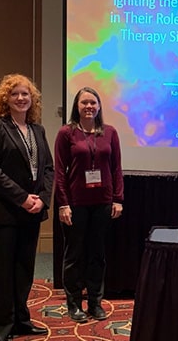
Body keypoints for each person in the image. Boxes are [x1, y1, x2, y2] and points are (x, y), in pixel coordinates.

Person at [0, 73, 54, 341]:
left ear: (32, 99)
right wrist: (22, 197)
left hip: (31, 212)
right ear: (5, 99)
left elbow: (47, 169)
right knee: (1, 272)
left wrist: (42, 199)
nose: (21, 98)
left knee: (24, 270)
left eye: (25, 94)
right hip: (3, 212)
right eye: (15, 94)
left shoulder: (38, 130)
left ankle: (20, 321)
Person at [54, 86, 124, 322]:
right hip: (75, 204)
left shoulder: (110, 132)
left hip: (103, 203)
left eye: (93, 103)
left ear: (99, 106)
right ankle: (74, 304)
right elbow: (59, 172)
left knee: (97, 254)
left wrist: (118, 198)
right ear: (77, 106)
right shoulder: (66, 133)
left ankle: (95, 302)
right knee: (74, 255)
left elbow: (116, 169)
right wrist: (63, 204)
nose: (89, 107)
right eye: (84, 103)